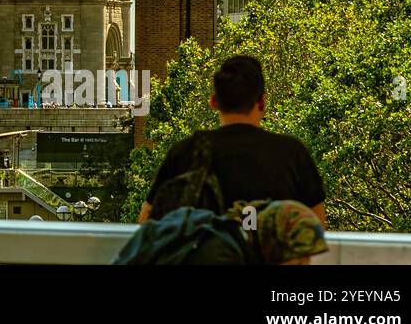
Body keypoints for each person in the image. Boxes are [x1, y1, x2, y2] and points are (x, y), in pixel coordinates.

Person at [138, 55, 326, 226]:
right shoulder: (291, 153)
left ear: (214, 102)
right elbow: (316, 227)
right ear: (262, 102)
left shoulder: (186, 152)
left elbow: (147, 220)